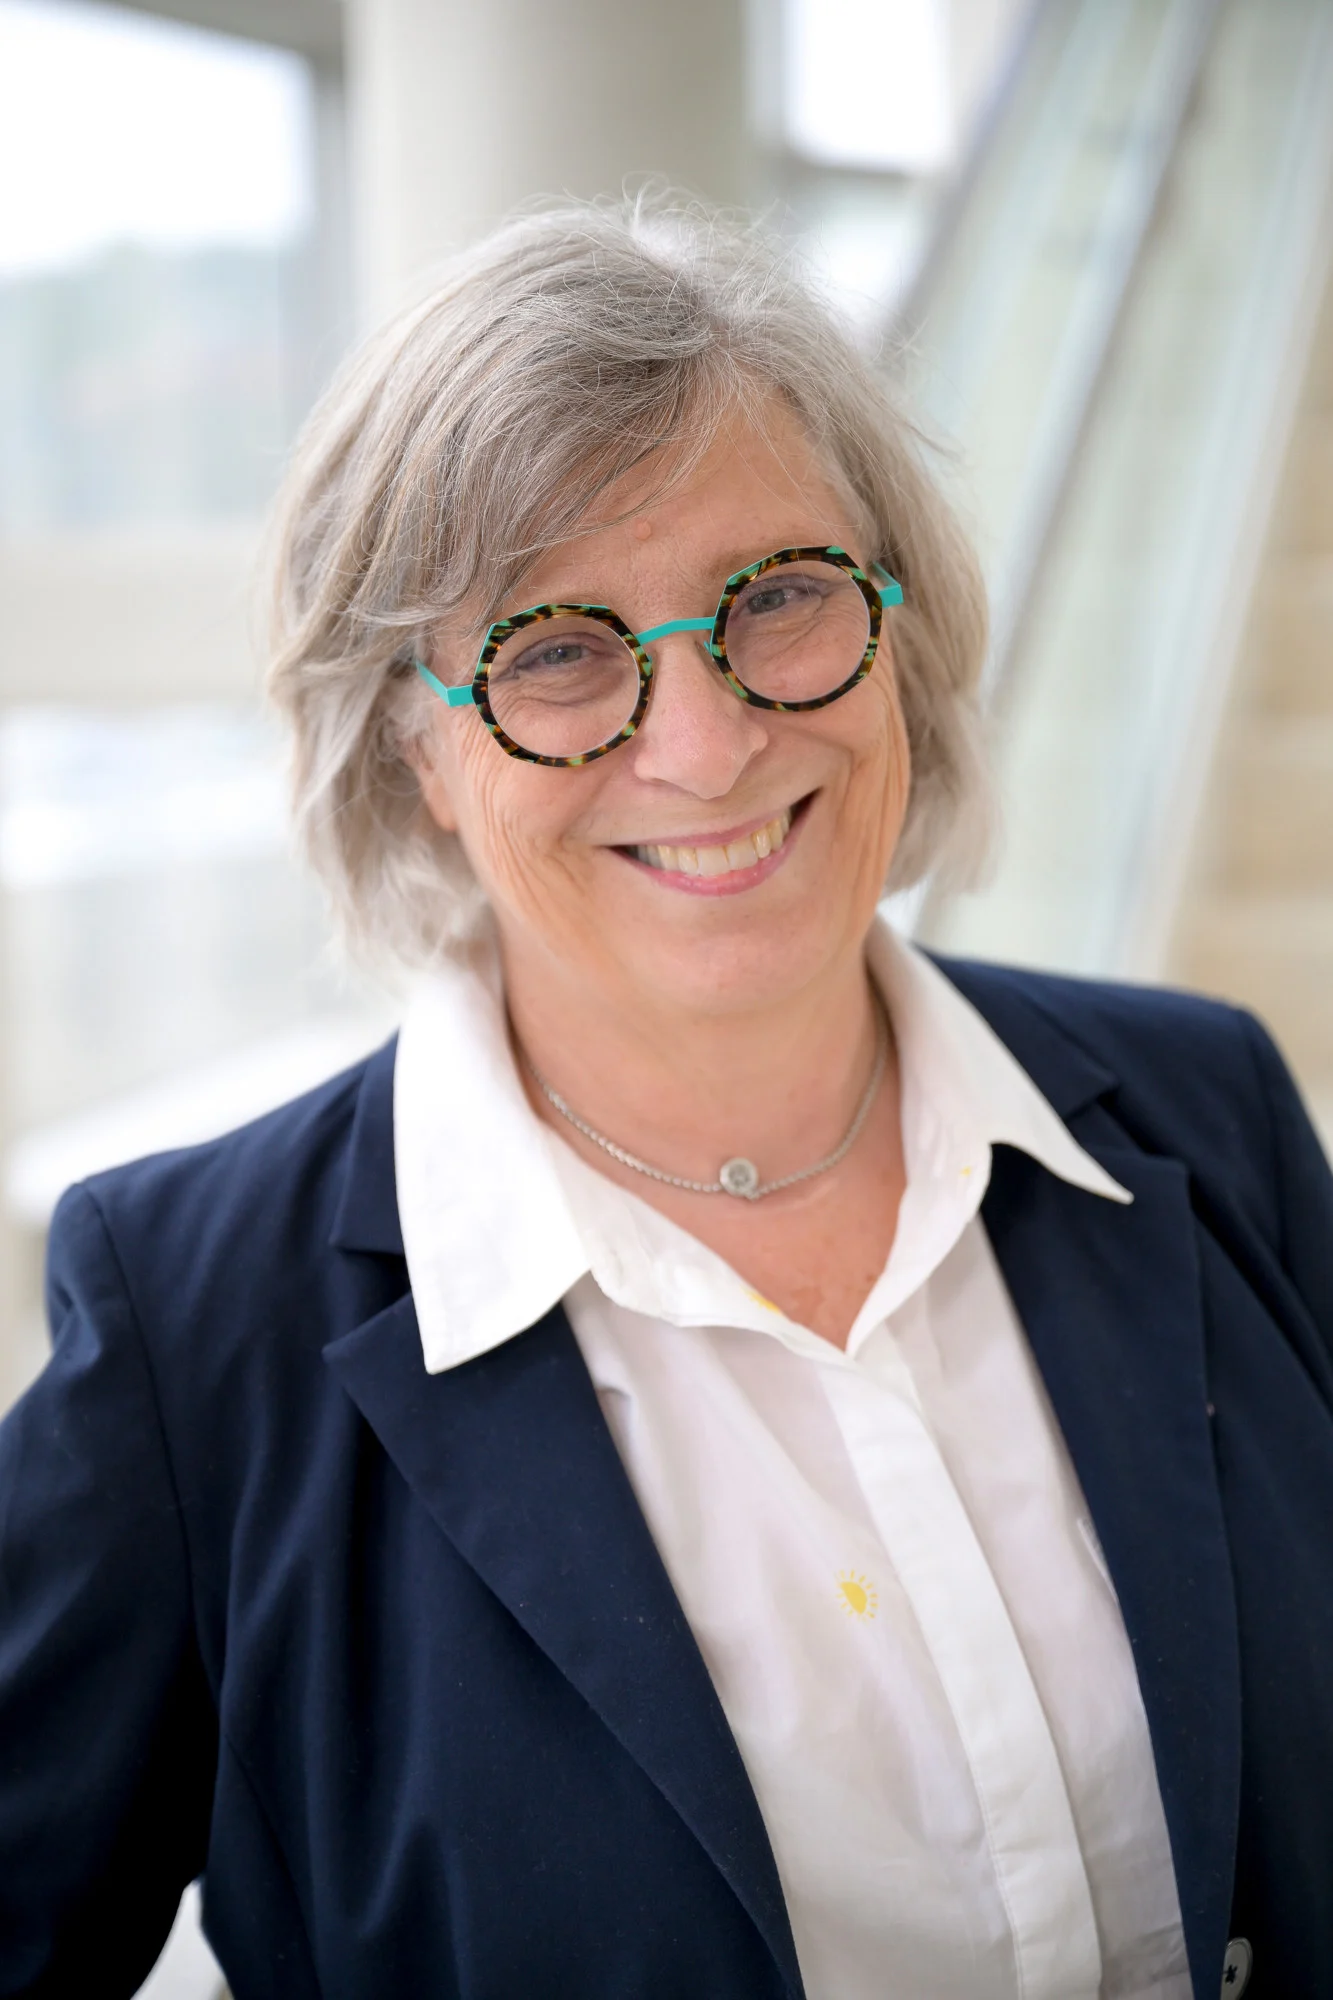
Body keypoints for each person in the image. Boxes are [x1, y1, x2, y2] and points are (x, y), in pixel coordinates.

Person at [1, 197, 1330, 2000]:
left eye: (775, 598)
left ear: (895, 622)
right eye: (554, 652)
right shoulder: (194, 1332)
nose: (703, 746)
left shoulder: (1207, 1107)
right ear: (414, 746)